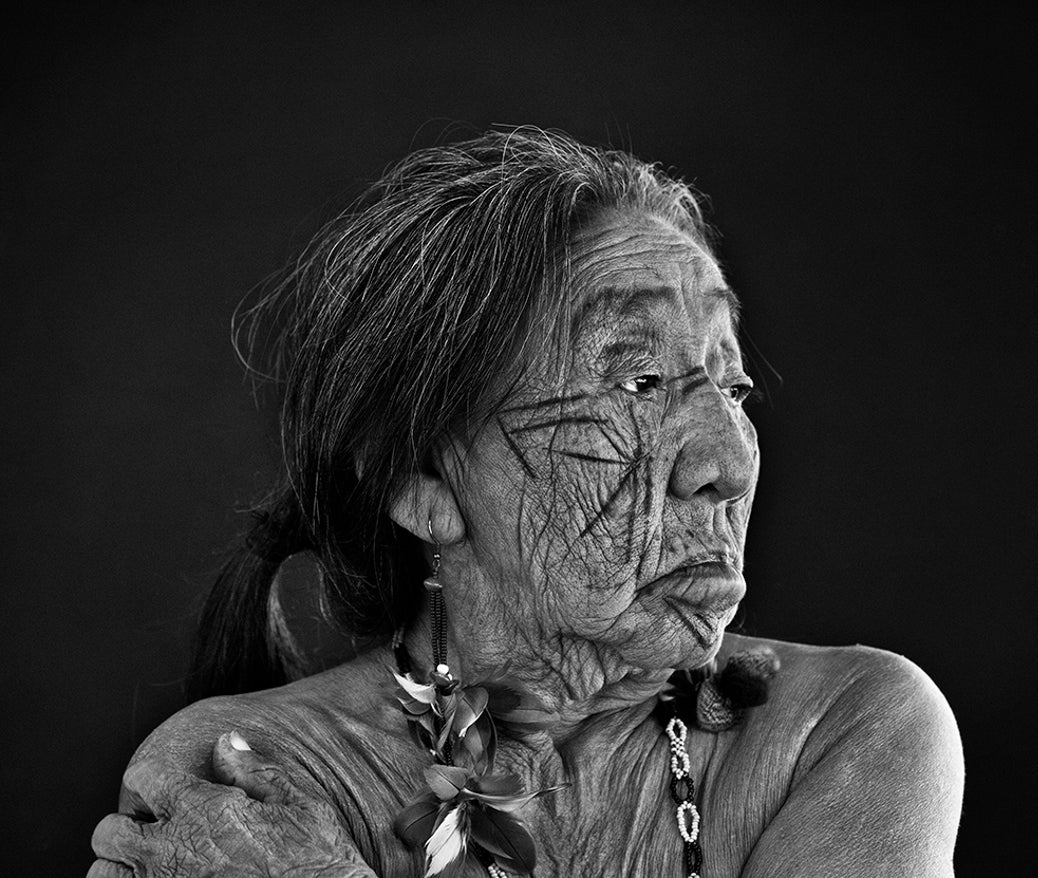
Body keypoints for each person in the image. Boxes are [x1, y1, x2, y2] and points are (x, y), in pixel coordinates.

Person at [88, 128, 964, 877]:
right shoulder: (243, 777)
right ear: (423, 484)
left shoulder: (850, 727)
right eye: (640, 382)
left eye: (732, 389)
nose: (730, 463)